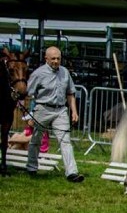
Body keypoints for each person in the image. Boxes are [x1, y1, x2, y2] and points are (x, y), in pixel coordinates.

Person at [25, 46, 84, 182]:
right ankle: (32, 167)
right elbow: (29, 94)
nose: (56, 61)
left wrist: (74, 111)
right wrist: (29, 115)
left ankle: (72, 173)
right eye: (53, 59)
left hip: (60, 110)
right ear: (46, 59)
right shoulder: (38, 74)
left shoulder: (65, 72)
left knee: (65, 140)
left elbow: (70, 93)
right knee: (36, 139)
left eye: (58, 58)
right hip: (42, 108)